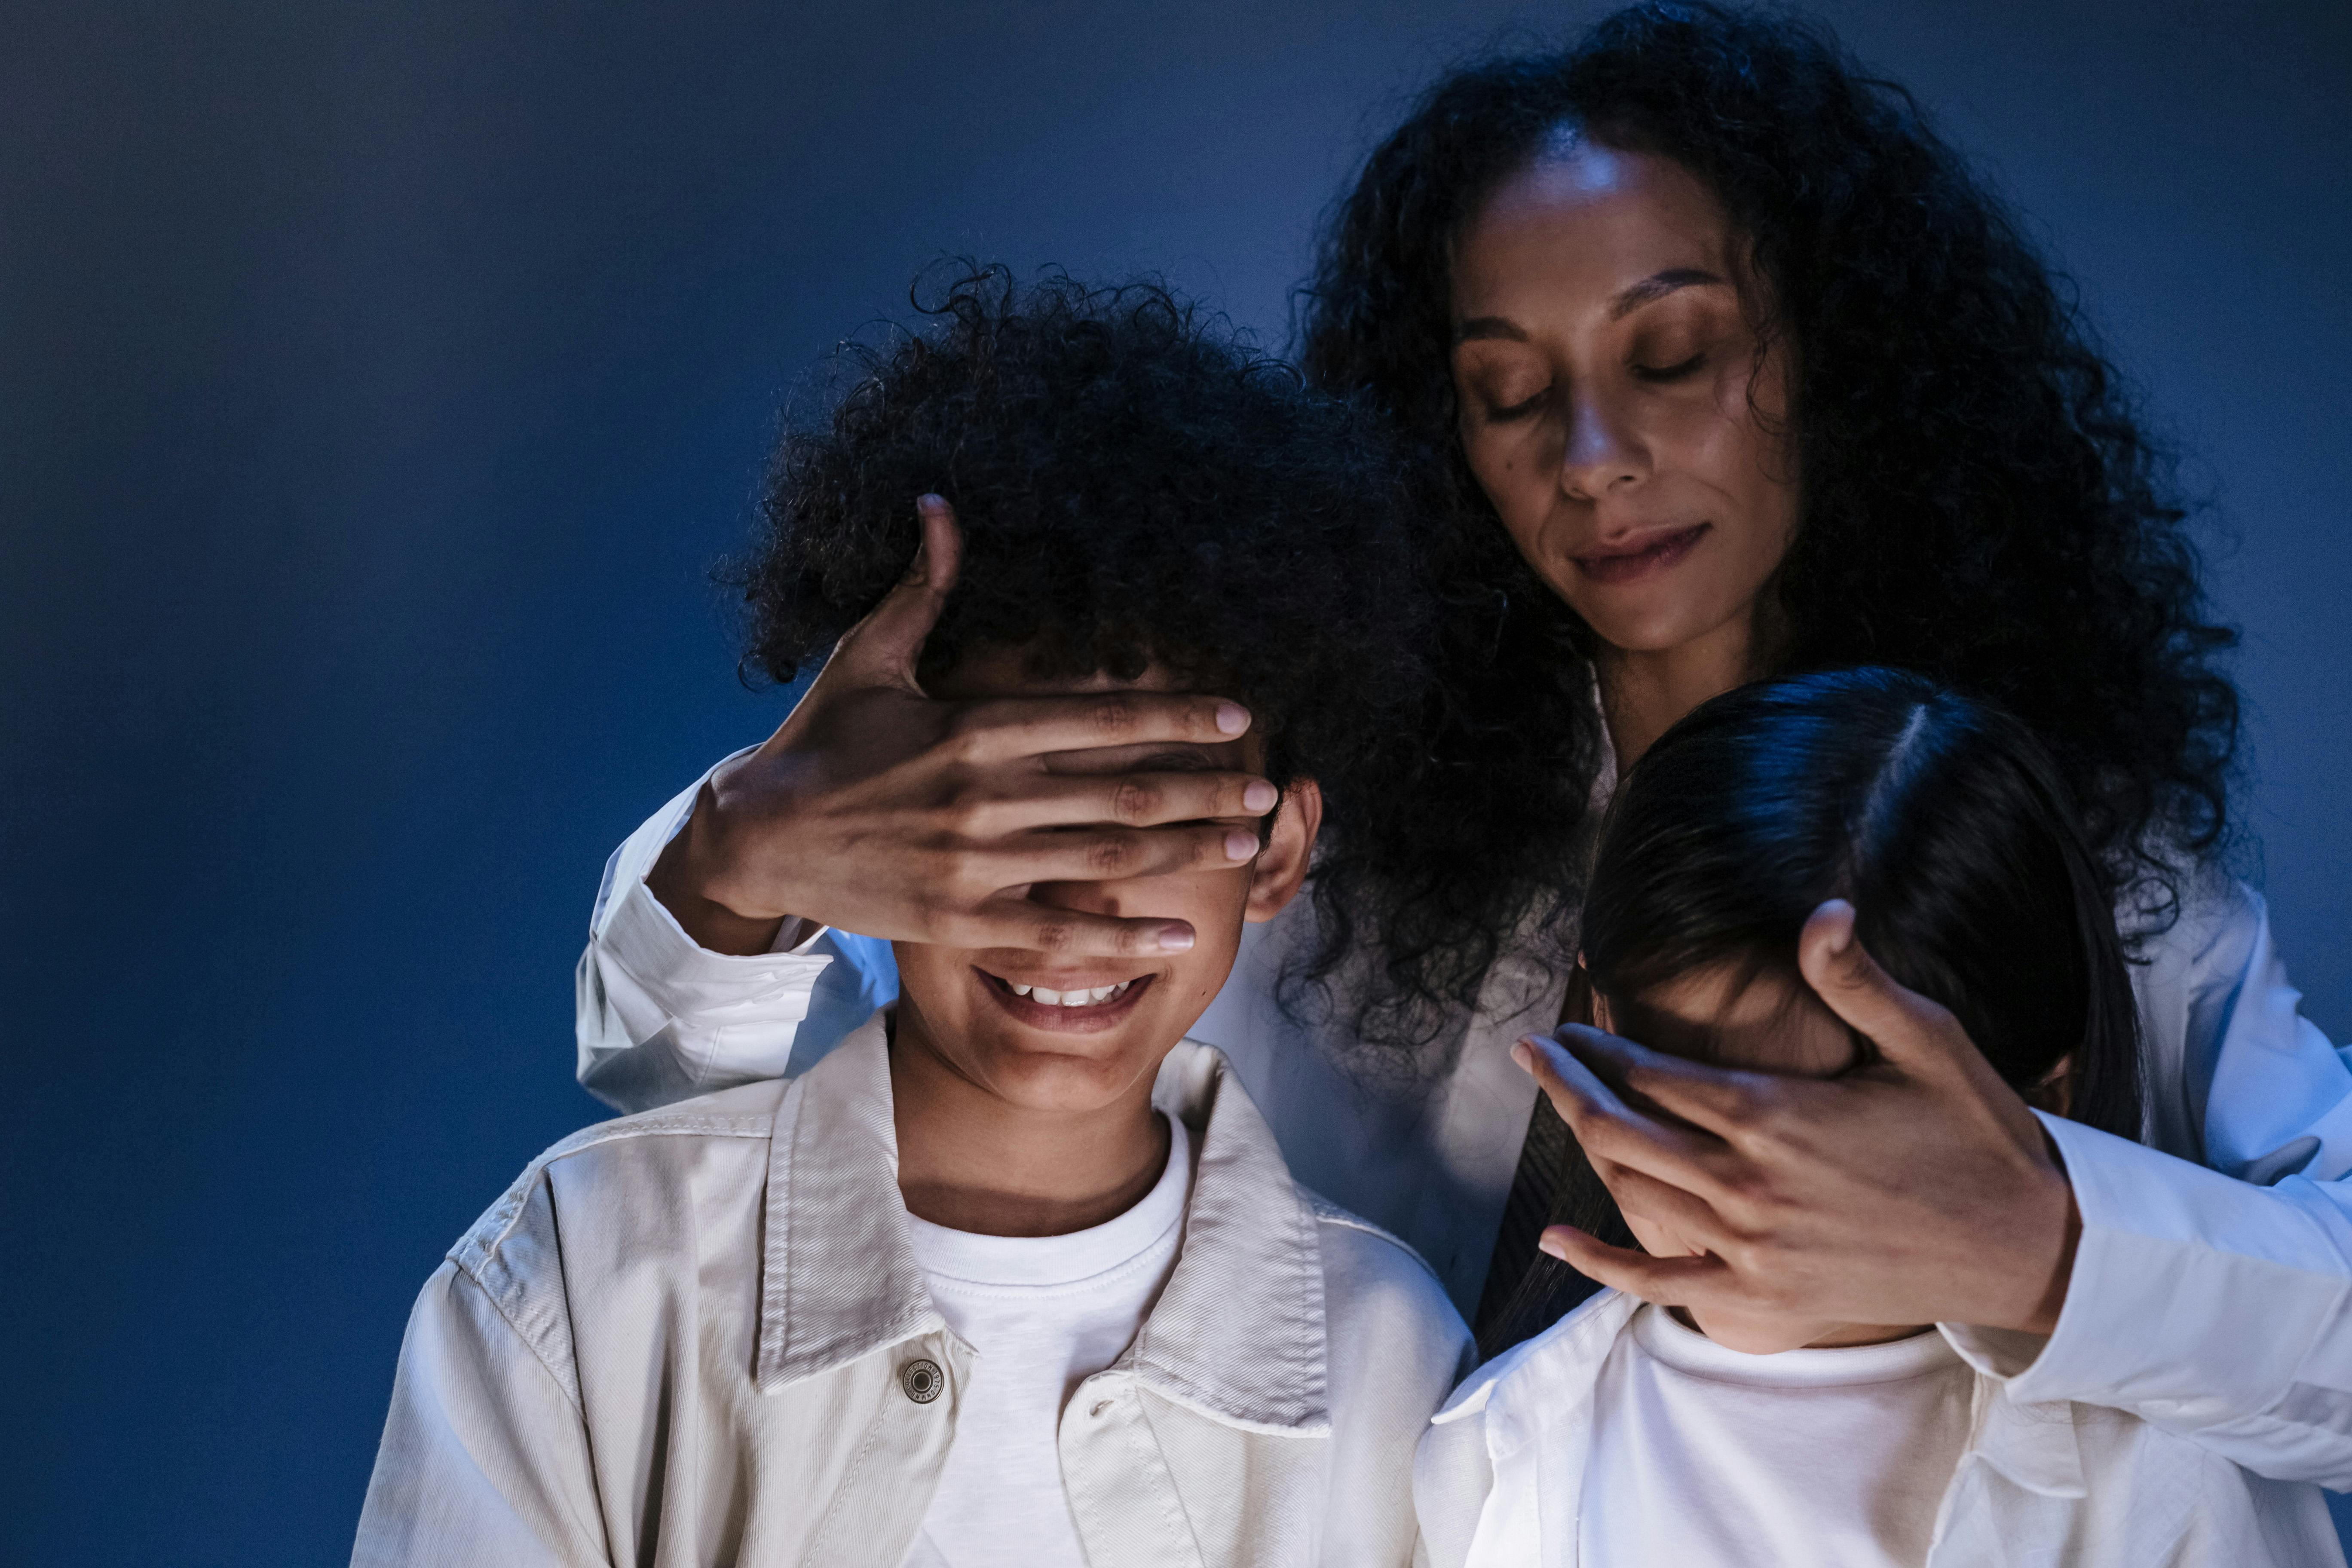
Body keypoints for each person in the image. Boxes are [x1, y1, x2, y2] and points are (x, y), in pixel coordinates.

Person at [573, 2, 2352, 1485]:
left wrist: (2043, 1243)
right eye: (1508, 391)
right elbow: (716, 1162)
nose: (1590, 454)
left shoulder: (2098, 888)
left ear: (1828, 357)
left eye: (1670, 354)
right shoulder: (1311, 868)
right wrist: (736, 863)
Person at [353, 272, 1471, 1568]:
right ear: (882, 826)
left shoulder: (1393, 1357)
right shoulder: (580, 1282)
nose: (1075, 908)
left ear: (1275, 851)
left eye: (1151, 813)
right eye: (1006, 810)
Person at [1415, 668, 2343, 1567]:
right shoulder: (1495, 1446)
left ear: (2037, 1102)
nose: (1748, 1198)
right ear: (1600, 1021)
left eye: (1816, 1140)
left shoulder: (2167, 1486)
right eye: (1689, 1111)